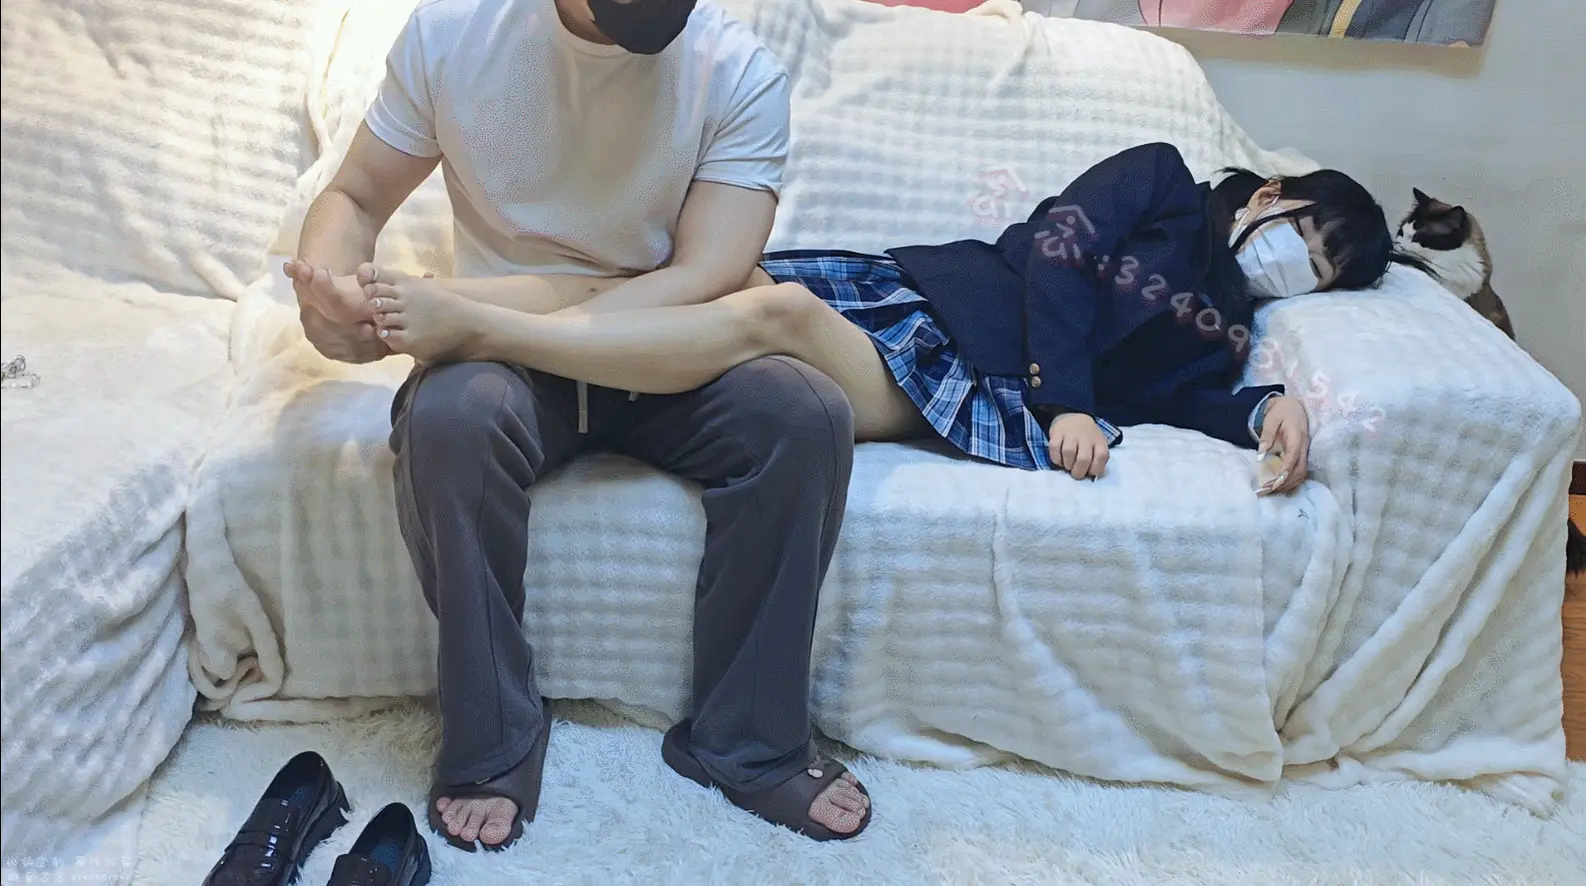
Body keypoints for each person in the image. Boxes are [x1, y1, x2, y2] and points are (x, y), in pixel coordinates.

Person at [284, 0, 874, 851]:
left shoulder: (737, 68)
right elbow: (356, 193)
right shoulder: (455, 31)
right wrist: (333, 290)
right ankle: (495, 738)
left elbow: (709, 273)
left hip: (662, 349)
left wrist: (491, 322)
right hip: (507, 367)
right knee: (453, 418)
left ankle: (747, 741)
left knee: (805, 413)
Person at [358, 142, 1394, 494]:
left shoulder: (1224, 326)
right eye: (1303, 237)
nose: (1294, 269)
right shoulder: (1163, 181)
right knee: (691, 279)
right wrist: (1071, 399)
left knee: (776, 314)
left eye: (1318, 274)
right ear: (1271, 195)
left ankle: (488, 334)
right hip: (923, 291)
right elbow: (1057, 249)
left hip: (969, 380)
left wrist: (1262, 409)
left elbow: (1183, 400)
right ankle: (426, 300)